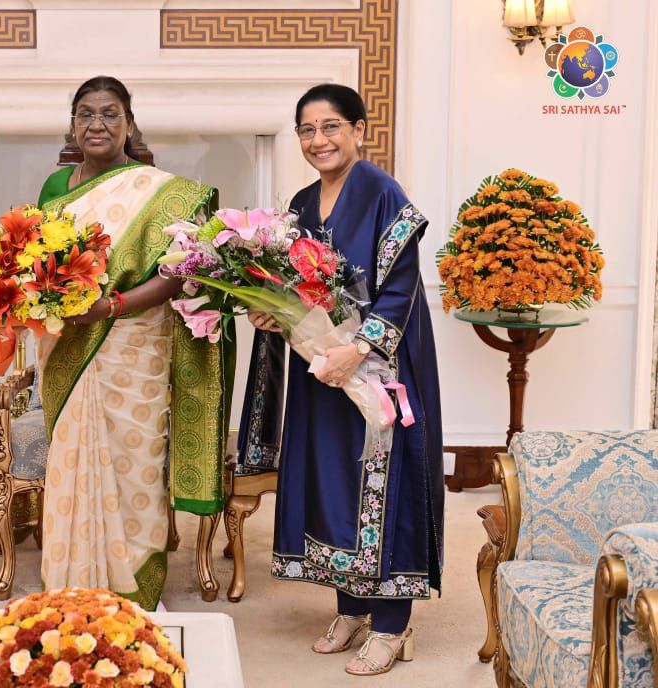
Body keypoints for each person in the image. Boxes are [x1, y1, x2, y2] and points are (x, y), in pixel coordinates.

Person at [241, 83, 443, 676]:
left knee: (383, 481)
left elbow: (401, 287)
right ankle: (353, 606)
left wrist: (359, 350)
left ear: (358, 129)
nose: (319, 139)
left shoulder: (383, 192)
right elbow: (294, 291)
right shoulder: (301, 203)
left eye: (331, 126)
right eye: (307, 130)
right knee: (333, 480)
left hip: (380, 367)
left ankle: (392, 625)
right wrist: (269, 312)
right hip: (320, 370)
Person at [35, 76, 232, 610]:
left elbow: (182, 272)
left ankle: (133, 591)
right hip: (70, 348)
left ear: (128, 123)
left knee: (135, 462)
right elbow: (36, 264)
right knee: (71, 463)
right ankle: (71, 585)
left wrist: (113, 305)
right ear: (72, 125)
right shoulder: (55, 189)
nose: (96, 124)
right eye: (85, 114)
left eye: (109, 114)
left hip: (136, 343)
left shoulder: (162, 191)